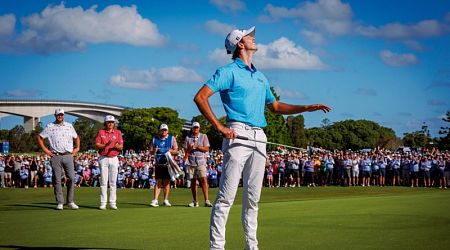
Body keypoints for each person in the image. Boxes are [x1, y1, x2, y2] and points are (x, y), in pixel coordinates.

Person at [193, 26, 331, 250]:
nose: (253, 37)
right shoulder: (228, 71)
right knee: (227, 196)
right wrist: (219, 127)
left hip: (260, 136)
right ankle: (217, 247)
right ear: (240, 44)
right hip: (237, 133)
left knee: (253, 198)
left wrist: (306, 107)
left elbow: (275, 106)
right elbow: (200, 97)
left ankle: (252, 246)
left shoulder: (260, 76)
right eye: (249, 36)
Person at [37, 108, 80, 210]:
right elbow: (39, 137)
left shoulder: (69, 126)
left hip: (68, 154)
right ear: (55, 116)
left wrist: (77, 148)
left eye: (61, 115)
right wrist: (46, 151)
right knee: (57, 179)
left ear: (63, 115)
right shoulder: (50, 126)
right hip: (55, 155)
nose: (60, 116)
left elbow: (77, 137)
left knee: (72, 178)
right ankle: (60, 202)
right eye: (58, 115)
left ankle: (70, 201)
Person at [95, 115, 123, 210]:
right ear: (105, 123)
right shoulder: (101, 132)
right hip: (103, 158)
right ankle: (103, 203)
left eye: (112, 122)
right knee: (103, 181)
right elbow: (97, 145)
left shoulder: (118, 132)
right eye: (109, 122)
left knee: (113, 182)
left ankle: (112, 202)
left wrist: (115, 145)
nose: (110, 123)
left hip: (114, 158)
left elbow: (121, 147)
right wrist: (105, 145)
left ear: (114, 123)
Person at [183, 121, 213, 207]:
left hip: (201, 162)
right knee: (193, 182)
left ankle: (207, 200)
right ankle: (195, 201)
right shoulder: (188, 138)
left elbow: (207, 148)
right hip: (191, 162)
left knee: (204, 180)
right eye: (194, 127)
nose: (195, 129)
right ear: (192, 128)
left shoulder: (204, 136)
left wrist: (197, 146)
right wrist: (190, 147)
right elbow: (186, 151)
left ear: (199, 128)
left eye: (197, 127)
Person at [149, 124, 178, 207]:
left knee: (166, 182)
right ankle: (155, 200)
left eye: (165, 130)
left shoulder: (172, 138)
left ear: (167, 131)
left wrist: (168, 150)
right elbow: (151, 151)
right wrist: (154, 150)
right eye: (162, 130)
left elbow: (176, 151)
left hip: (168, 163)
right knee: (158, 181)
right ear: (160, 130)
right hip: (158, 163)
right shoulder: (155, 139)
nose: (164, 131)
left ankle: (165, 200)